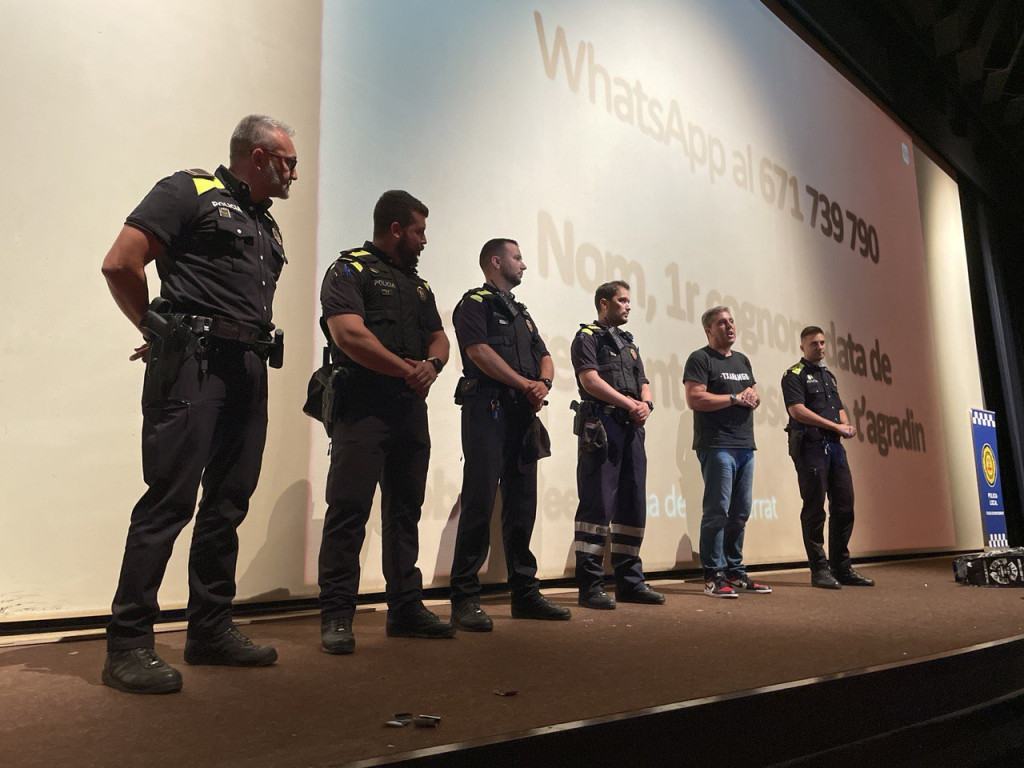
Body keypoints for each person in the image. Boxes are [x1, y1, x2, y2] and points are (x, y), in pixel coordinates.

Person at [100, 115, 298, 694]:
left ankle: (209, 630)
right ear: (257, 157)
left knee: (228, 504)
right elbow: (121, 263)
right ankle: (128, 645)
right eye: (287, 161)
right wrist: (157, 328)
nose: (294, 173)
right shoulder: (188, 191)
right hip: (195, 365)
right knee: (169, 501)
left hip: (246, 368)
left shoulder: (267, 225)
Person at [317, 190, 454, 655]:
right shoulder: (348, 269)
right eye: (419, 230)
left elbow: (440, 337)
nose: (424, 240)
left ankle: (406, 610)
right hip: (362, 408)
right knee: (348, 512)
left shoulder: (419, 286)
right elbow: (348, 334)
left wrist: (431, 367)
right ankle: (337, 616)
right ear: (396, 229)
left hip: (409, 411)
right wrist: (408, 369)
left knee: (404, 513)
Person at [448, 239, 571, 631]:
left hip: (523, 413)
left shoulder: (522, 314)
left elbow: (545, 355)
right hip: (487, 410)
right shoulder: (474, 304)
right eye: (517, 257)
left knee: (522, 505)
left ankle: (525, 593)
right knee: (480, 502)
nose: (524, 264)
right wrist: (524, 383)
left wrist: (543, 385)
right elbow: (478, 352)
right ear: (496, 262)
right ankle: (465, 599)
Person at [570, 281, 665, 610]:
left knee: (632, 503)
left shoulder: (629, 343)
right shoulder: (587, 337)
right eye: (622, 300)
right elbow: (590, 380)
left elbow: (644, 382)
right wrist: (629, 404)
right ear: (603, 303)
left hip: (632, 429)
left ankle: (629, 583)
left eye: (629, 301)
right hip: (603, 426)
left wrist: (646, 405)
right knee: (597, 504)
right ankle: (591, 585)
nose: (628, 306)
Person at [683, 306, 771, 599]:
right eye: (722, 323)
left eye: (731, 321)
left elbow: (754, 393)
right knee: (717, 511)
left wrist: (752, 396)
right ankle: (713, 575)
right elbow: (695, 398)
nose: (729, 326)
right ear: (709, 330)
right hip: (717, 444)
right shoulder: (700, 359)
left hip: (745, 445)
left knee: (740, 512)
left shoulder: (743, 359)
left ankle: (735, 571)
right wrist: (735, 398)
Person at [782, 326, 874, 589]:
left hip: (835, 448)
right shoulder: (794, 375)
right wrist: (835, 427)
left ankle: (842, 568)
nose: (820, 348)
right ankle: (819, 570)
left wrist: (846, 425)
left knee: (845, 505)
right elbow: (797, 410)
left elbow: (839, 409)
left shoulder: (829, 376)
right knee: (814, 509)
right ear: (802, 347)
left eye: (823, 343)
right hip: (810, 445)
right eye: (814, 344)